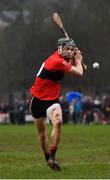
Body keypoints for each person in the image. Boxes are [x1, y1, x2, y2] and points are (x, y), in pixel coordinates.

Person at [29, 37, 84, 171]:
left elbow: (70, 64)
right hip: (37, 100)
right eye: (67, 49)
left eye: (72, 49)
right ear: (59, 49)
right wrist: (79, 61)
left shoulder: (61, 59)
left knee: (58, 122)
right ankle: (48, 158)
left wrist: (75, 59)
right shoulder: (56, 61)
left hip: (52, 100)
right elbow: (79, 73)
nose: (70, 51)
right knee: (42, 136)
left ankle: (52, 155)